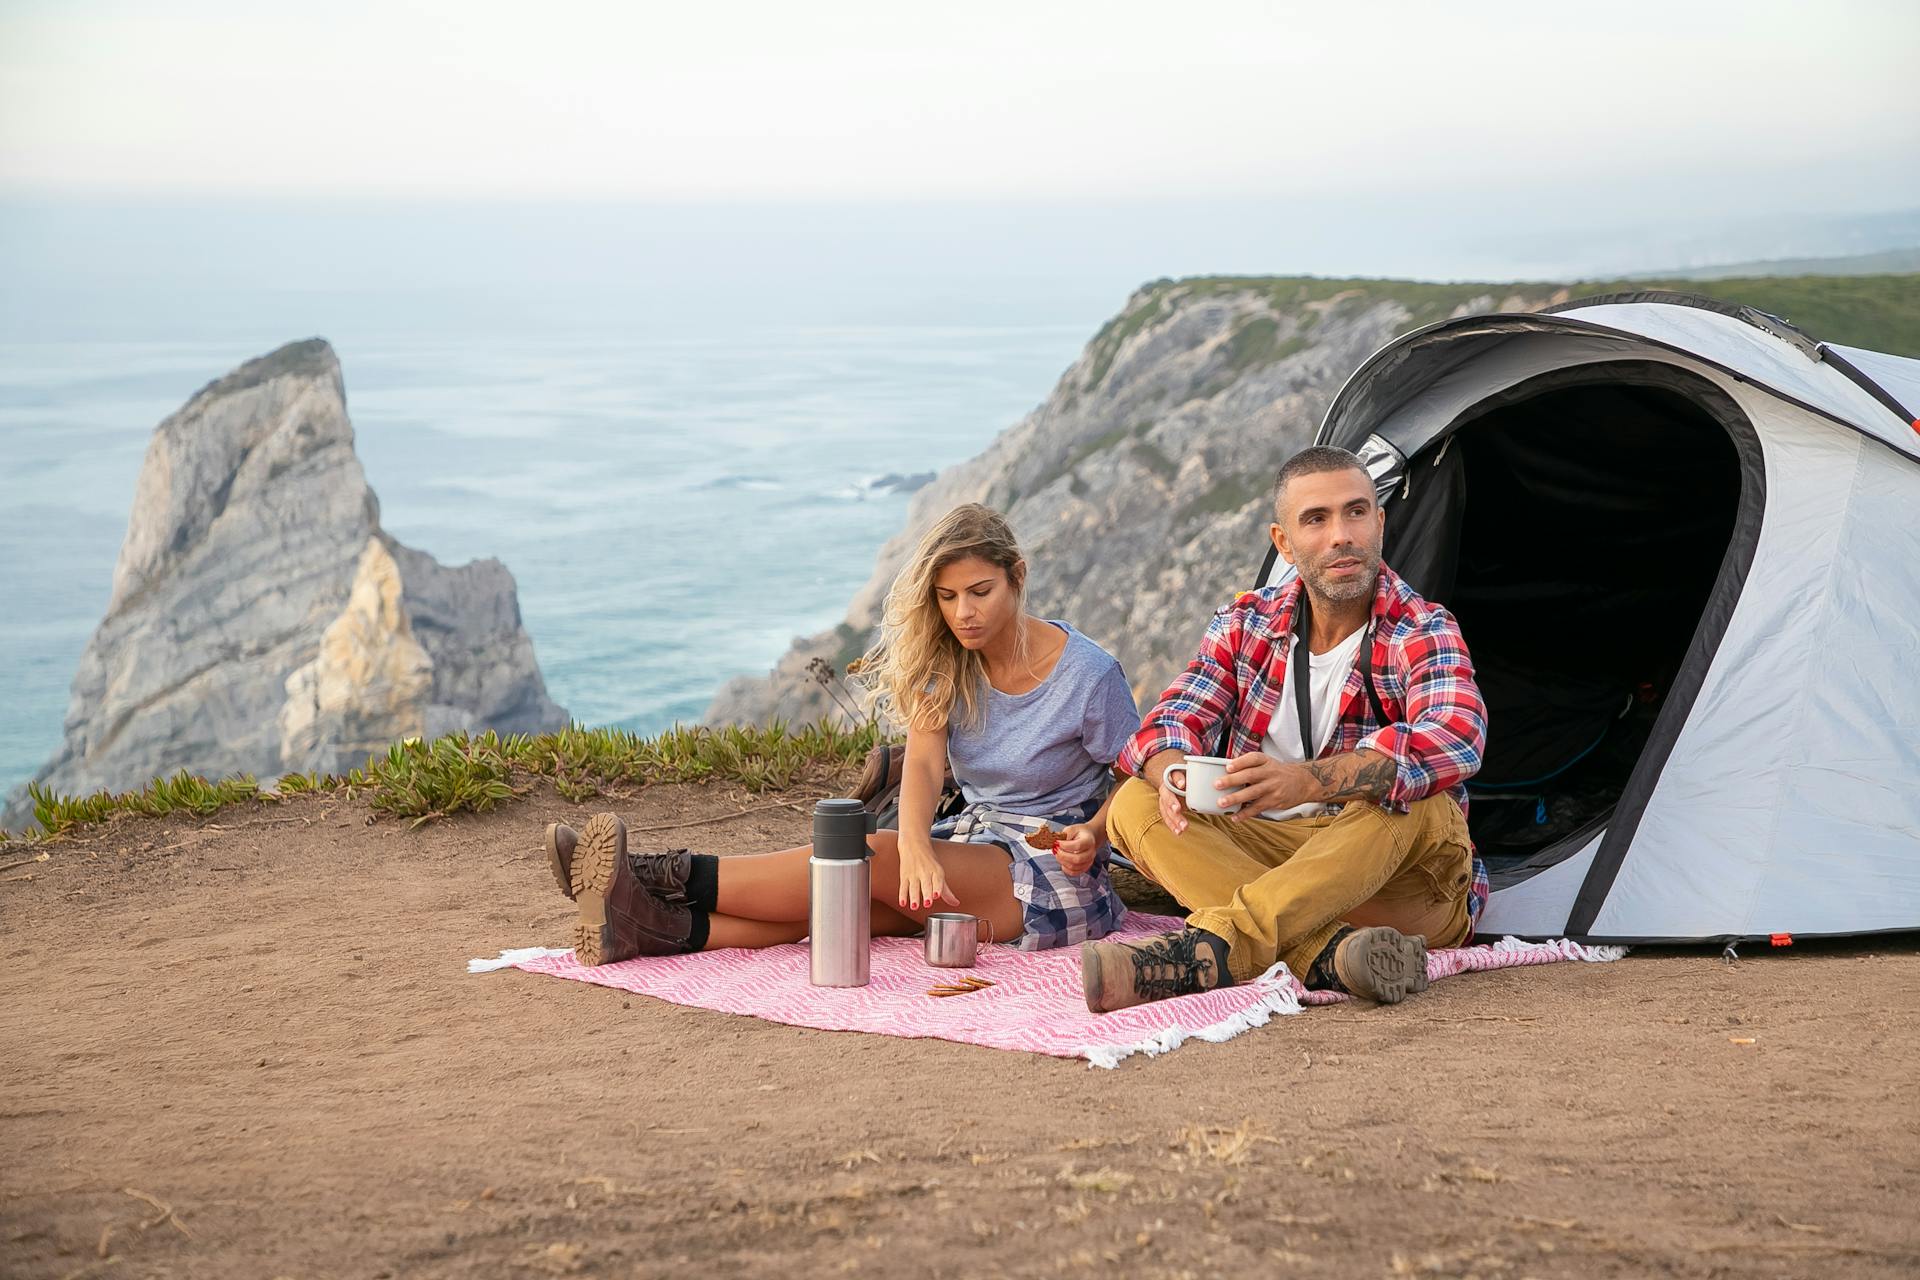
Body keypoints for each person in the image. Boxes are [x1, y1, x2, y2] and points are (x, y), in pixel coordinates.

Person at [543, 503, 1140, 963]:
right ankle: (649, 930)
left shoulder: (1088, 674)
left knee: (866, 854)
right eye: (948, 597)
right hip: (974, 842)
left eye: (980, 592)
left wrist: (1090, 832)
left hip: (1053, 876)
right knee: (844, 906)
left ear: (1017, 577)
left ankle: (654, 874)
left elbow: (1135, 780)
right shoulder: (949, 658)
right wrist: (916, 845)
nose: (964, 614)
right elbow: (926, 765)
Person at [1079, 446, 1490, 1013]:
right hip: (1279, 868)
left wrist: (1305, 782)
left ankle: (1217, 951)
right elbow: (1164, 725)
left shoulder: (1422, 627)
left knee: (1415, 800)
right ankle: (1326, 954)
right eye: (1316, 519)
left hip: (1398, 882)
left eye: (1355, 513)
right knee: (1134, 802)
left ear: (1381, 522)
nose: (1340, 535)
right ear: (1283, 542)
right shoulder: (1244, 623)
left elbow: (1456, 739)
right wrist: (1172, 771)